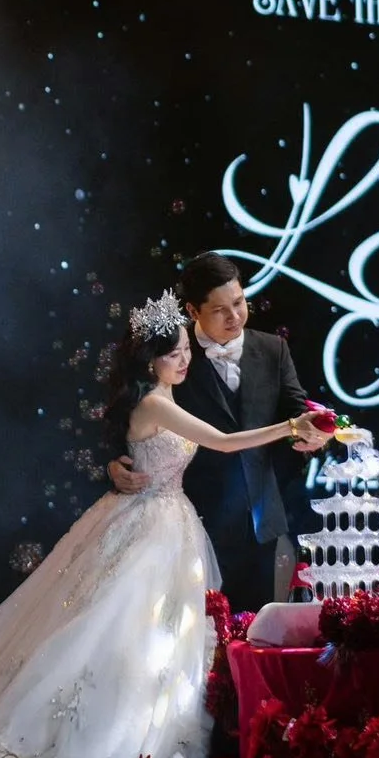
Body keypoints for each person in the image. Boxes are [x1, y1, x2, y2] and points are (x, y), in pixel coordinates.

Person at [0, 289, 328, 758]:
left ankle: (152, 742)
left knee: (149, 638)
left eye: (185, 350)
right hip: (149, 526)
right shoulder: (154, 401)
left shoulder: (162, 397)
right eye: (174, 353)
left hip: (164, 520)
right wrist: (291, 426)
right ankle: (111, 745)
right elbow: (221, 442)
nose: (184, 359)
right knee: (113, 631)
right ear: (150, 359)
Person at [111, 252, 312, 607]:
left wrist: (312, 435)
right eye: (220, 309)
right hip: (193, 524)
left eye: (239, 302)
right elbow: (126, 420)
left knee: (258, 637)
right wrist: (113, 462)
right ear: (192, 311)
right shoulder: (171, 353)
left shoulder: (272, 349)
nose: (234, 316)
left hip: (263, 523)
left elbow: (299, 411)